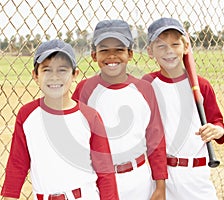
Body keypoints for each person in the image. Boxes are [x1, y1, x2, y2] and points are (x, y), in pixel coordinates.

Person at [0, 39, 119, 200]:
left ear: (75, 74)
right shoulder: (27, 115)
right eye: (47, 70)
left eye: (62, 70)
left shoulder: (89, 117)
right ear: (35, 75)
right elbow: (17, 163)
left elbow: (105, 172)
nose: (54, 77)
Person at [72, 19, 168, 200]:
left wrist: (160, 185)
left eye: (119, 49)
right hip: (99, 180)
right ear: (94, 55)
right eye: (104, 50)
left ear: (130, 54)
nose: (112, 56)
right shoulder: (85, 90)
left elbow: (156, 140)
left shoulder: (144, 89)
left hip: (138, 178)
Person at [142, 17, 224, 199]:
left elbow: (217, 121)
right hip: (164, 175)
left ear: (185, 47)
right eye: (161, 46)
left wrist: (217, 130)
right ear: (150, 51)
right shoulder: (148, 84)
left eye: (175, 44)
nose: (169, 51)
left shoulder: (201, 85)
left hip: (197, 175)